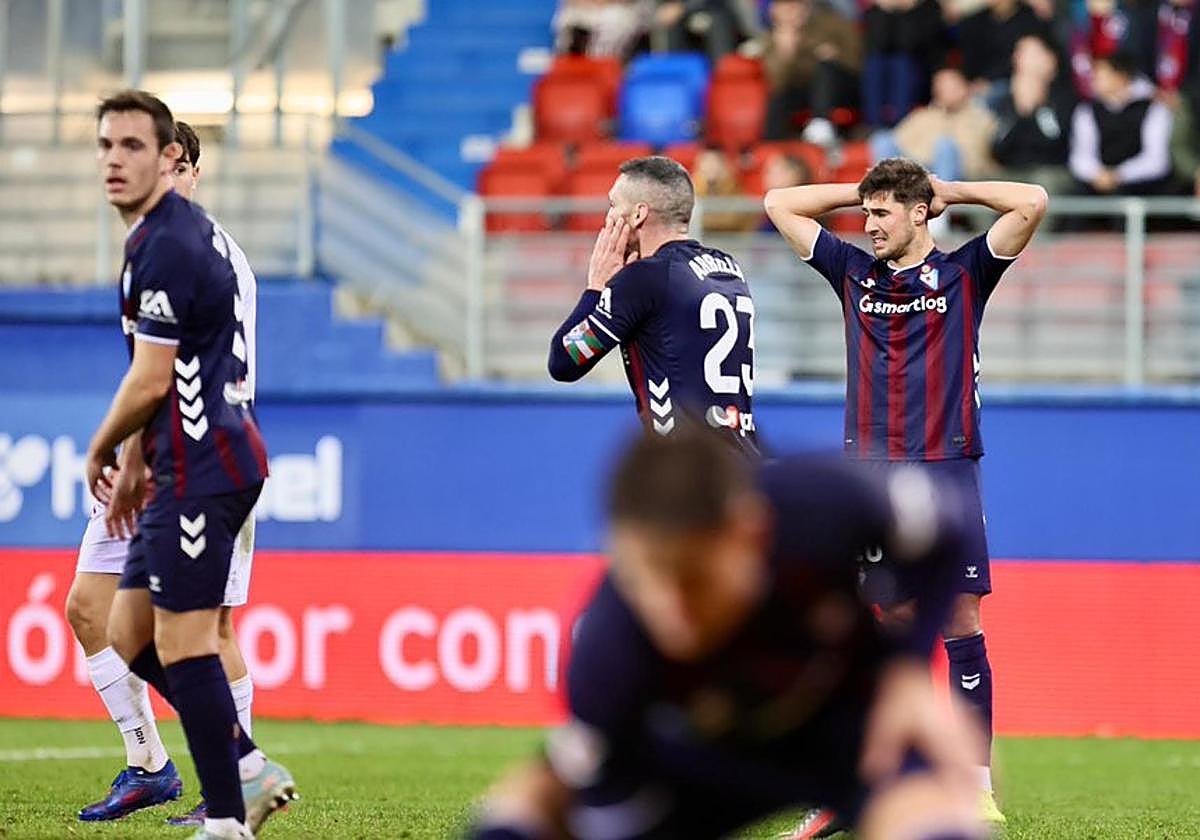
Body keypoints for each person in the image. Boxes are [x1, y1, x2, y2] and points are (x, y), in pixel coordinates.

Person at [470, 431, 987, 840]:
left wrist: (907, 670)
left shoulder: (819, 503)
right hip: (695, 761)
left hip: (851, 726)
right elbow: (611, 803)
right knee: (539, 793)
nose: (671, 615)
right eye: (644, 583)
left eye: (693, 581)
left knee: (938, 797)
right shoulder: (606, 657)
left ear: (750, 532)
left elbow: (948, 525)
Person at [765, 157, 1049, 827]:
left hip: (945, 467)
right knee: (891, 628)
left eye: (883, 213)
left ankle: (975, 784)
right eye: (865, 214)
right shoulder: (851, 273)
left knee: (961, 622)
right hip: (871, 478)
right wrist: (863, 190)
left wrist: (950, 190)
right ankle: (895, 771)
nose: (868, 225)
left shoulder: (965, 273)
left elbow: (1032, 200)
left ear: (920, 214)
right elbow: (780, 202)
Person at [85, 89, 294, 840]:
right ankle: (245, 767)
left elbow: (149, 380)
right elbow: (168, 371)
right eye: (106, 145)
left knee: (188, 639)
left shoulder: (171, 243)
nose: (115, 160)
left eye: (133, 146)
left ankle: (229, 817)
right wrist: (138, 452)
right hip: (175, 460)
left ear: (171, 158)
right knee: (126, 628)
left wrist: (105, 444)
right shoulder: (153, 240)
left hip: (209, 463)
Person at [548, 156, 759, 455]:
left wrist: (596, 288)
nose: (607, 218)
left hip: (687, 472)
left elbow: (564, 360)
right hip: (744, 463)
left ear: (637, 215)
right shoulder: (729, 267)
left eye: (612, 205)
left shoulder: (643, 279)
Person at [1068, 50, 1176, 197]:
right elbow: (1080, 157)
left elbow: (1157, 160)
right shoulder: (1086, 111)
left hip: (1143, 187)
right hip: (1096, 185)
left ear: (1120, 76)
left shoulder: (1153, 108)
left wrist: (1120, 175)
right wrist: (1098, 175)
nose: (1094, 81)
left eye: (1101, 75)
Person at [870, 66, 998, 187]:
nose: (946, 91)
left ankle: (942, 207)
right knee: (882, 139)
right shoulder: (923, 116)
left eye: (952, 86)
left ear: (965, 87)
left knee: (945, 146)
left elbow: (976, 157)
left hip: (960, 174)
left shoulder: (980, 116)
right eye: (942, 87)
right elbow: (899, 143)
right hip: (920, 169)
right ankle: (889, 197)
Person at [759, 0, 862, 147]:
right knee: (779, 98)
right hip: (804, 92)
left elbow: (857, 58)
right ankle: (771, 144)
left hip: (840, 88)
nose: (793, 11)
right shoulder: (772, 40)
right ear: (775, 13)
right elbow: (777, 83)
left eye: (797, 5)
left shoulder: (831, 22)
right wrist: (785, 53)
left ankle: (821, 125)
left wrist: (836, 56)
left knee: (824, 69)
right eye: (786, 8)